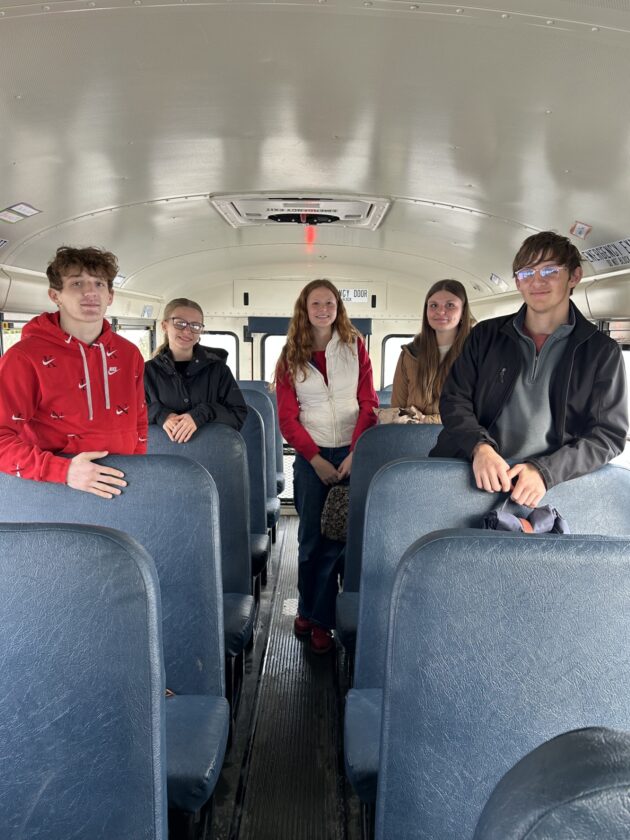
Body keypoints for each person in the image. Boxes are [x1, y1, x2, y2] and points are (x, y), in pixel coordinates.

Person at [430, 231, 628, 507]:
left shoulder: (601, 351)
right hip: (469, 470)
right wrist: (480, 447)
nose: (537, 281)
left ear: (574, 276)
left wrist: (546, 471)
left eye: (550, 270)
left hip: (547, 485)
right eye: (526, 273)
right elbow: (454, 399)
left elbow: (608, 435)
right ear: (517, 282)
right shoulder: (485, 335)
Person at [274, 279, 378, 654]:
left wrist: (355, 453)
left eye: (329, 303)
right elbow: (288, 419)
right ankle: (309, 610)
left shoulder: (354, 346)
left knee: (338, 541)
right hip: (311, 456)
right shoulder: (290, 356)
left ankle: (319, 620)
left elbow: (368, 404)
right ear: (305, 308)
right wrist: (314, 459)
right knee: (310, 541)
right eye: (316, 303)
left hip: (351, 451)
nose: (323, 310)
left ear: (338, 308)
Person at [0, 245, 147, 498]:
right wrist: (63, 471)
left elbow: (139, 423)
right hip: (54, 488)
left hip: (122, 483)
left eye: (99, 284)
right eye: (77, 283)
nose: (90, 292)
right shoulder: (24, 358)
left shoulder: (129, 354)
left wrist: (139, 472)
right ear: (55, 295)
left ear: (110, 296)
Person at [144, 298, 247, 441]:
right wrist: (162, 415)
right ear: (164, 326)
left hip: (211, 449)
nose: (187, 331)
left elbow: (238, 415)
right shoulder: (146, 372)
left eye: (195, 325)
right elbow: (128, 413)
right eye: (180, 323)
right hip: (161, 453)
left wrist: (201, 414)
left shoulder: (219, 370)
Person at [390, 279, 472, 423]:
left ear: (463, 311)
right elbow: (397, 409)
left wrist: (427, 420)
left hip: (460, 435)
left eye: (450, 305)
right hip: (412, 434)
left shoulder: (476, 354)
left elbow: (478, 412)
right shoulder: (409, 354)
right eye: (433, 305)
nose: (440, 311)